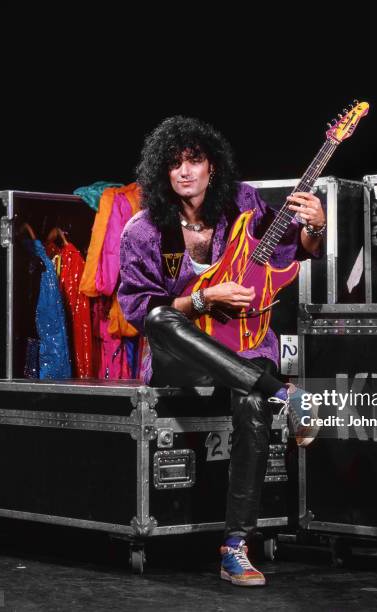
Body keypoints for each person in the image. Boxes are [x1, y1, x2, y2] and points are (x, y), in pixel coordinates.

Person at [118, 116, 326, 586]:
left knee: (250, 398)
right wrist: (204, 299)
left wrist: (316, 226)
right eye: (174, 164)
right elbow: (136, 309)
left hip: (246, 351)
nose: (185, 172)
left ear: (213, 165)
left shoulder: (244, 204)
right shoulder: (145, 230)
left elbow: (291, 250)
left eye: (194, 160)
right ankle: (286, 394)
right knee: (158, 318)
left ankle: (235, 547)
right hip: (182, 357)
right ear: (161, 173)